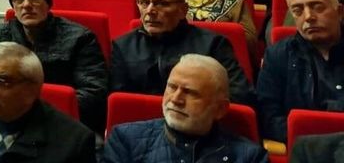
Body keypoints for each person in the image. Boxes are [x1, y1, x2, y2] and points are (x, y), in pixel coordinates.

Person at [0, 0, 108, 132]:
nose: (27, 4)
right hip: (12, 118)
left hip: (63, 122)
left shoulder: (80, 38)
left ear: (48, 4)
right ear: (13, 8)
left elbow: (93, 92)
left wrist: (37, 111)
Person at [111, 0, 251, 104]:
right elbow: (117, 102)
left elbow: (239, 95)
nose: (150, 11)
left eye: (161, 4)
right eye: (144, 3)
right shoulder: (123, 46)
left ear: (183, 10)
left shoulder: (213, 44)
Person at [103, 54, 266, 163]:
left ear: (220, 109)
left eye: (190, 93)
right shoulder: (126, 140)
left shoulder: (250, 157)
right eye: (172, 87)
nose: (175, 99)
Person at [256, 0, 344, 143]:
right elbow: (268, 116)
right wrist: (313, 143)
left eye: (317, 7)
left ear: (339, 12)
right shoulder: (277, 55)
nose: (308, 16)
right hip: (303, 149)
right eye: (298, 10)